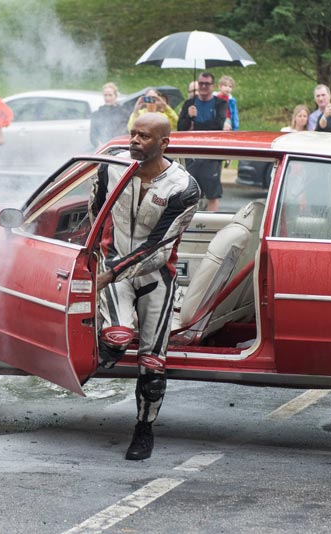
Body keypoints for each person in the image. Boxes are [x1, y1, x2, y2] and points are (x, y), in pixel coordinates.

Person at [91, 113, 200, 461]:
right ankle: (97, 350)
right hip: (113, 267)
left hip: (156, 277)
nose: (134, 140)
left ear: (164, 143)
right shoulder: (110, 168)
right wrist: (93, 258)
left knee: (153, 367)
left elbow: (158, 247)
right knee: (116, 340)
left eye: (144, 136)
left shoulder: (184, 187)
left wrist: (108, 274)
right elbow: (95, 214)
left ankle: (143, 430)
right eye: (132, 134)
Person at [178, 72, 228, 211]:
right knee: (190, 193)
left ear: (213, 85)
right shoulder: (189, 103)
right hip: (192, 155)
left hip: (211, 155)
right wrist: (189, 117)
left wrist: (196, 126)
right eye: (201, 83)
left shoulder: (220, 103)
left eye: (207, 84)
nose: (204, 86)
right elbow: (181, 128)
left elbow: (218, 125)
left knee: (212, 194)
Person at [90, 82, 128, 147]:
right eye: (105, 95)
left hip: (118, 147)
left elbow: (125, 133)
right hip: (101, 148)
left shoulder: (124, 113)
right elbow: (93, 135)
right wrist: (98, 144)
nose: (107, 98)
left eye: (110, 95)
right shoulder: (96, 114)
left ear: (115, 96)